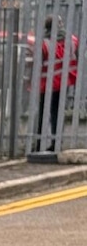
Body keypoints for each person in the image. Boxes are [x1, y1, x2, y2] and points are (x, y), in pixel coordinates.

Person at [36, 15, 80, 153]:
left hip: (48, 82)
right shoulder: (73, 40)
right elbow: (77, 59)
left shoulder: (44, 43)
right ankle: (56, 142)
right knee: (57, 112)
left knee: (43, 113)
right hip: (64, 81)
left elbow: (39, 62)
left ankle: (39, 144)